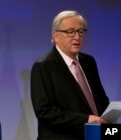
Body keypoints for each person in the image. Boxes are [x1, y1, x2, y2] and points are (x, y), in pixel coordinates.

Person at [31, 10, 110, 140]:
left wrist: (110, 115)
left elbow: (100, 98)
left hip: (96, 136)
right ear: (56, 36)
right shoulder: (43, 67)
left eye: (80, 31)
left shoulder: (89, 61)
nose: (77, 37)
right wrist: (87, 119)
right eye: (70, 32)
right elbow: (45, 112)